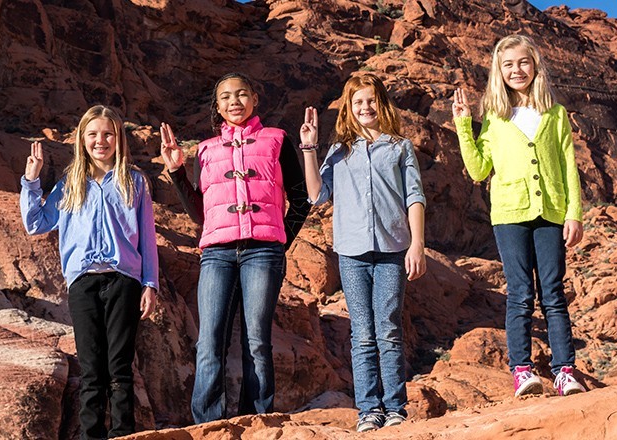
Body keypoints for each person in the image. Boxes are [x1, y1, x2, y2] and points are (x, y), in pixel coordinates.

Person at [159, 72, 310, 423]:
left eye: (242, 94)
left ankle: (256, 420)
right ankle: (209, 424)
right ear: (217, 106)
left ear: (255, 98)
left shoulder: (276, 139)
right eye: (226, 97)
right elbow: (201, 212)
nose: (234, 102)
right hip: (217, 253)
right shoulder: (207, 150)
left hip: (263, 252)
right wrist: (177, 172)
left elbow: (301, 198)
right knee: (210, 341)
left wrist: (279, 240)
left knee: (256, 341)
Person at [451, 34, 587, 397]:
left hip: (551, 212)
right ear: (499, 70)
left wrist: (574, 213)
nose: (517, 70)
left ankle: (565, 372)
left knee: (553, 293)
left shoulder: (554, 114)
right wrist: (465, 126)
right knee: (521, 293)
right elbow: (479, 170)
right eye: (508, 65)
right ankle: (522, 370)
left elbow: (568, 166)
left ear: (535, 65)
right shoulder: (494, 116)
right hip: (509, 213)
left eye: (523, 63)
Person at [20, 105, 159, 439]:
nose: (101, 141)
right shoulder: (71, 183)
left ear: (119, 139)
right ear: (82, 139)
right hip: (83, 283)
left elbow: (148, 238)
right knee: (92, 367)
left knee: (120, 367)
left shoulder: (134, 182)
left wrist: (150, 283)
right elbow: (35, 223)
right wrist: (32, 179)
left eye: (108, 134)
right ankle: (90, 435)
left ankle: (125, 433)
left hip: (124, 280)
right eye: (93, 134)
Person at [299, 74, 426, 432]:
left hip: (392, 249)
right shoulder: (339, 151)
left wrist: (417, 243)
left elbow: (414, 196)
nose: (365, 107)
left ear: (381, 104)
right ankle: (369, 409)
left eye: (371, 101)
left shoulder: (399, 147)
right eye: (358, 103)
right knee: (363, 333)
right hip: (352, 251)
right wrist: (309, 149)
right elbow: (317, 195)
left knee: (387, 328)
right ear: (349, 109)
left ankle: (395, 407)